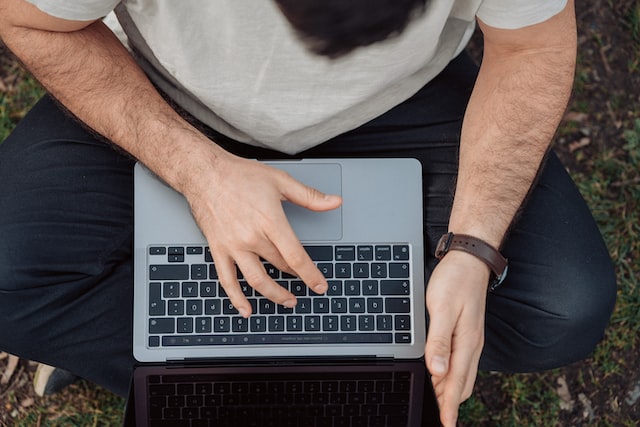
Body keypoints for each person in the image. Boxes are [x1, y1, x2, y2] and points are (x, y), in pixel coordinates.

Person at [0, 0, 616, 425]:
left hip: (403, 101)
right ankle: (187, 351)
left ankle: (211, 339)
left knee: (564, 307)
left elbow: (533, 44)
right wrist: (199, 171)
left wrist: (474, 247)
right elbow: (28, 19)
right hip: (165, 94)